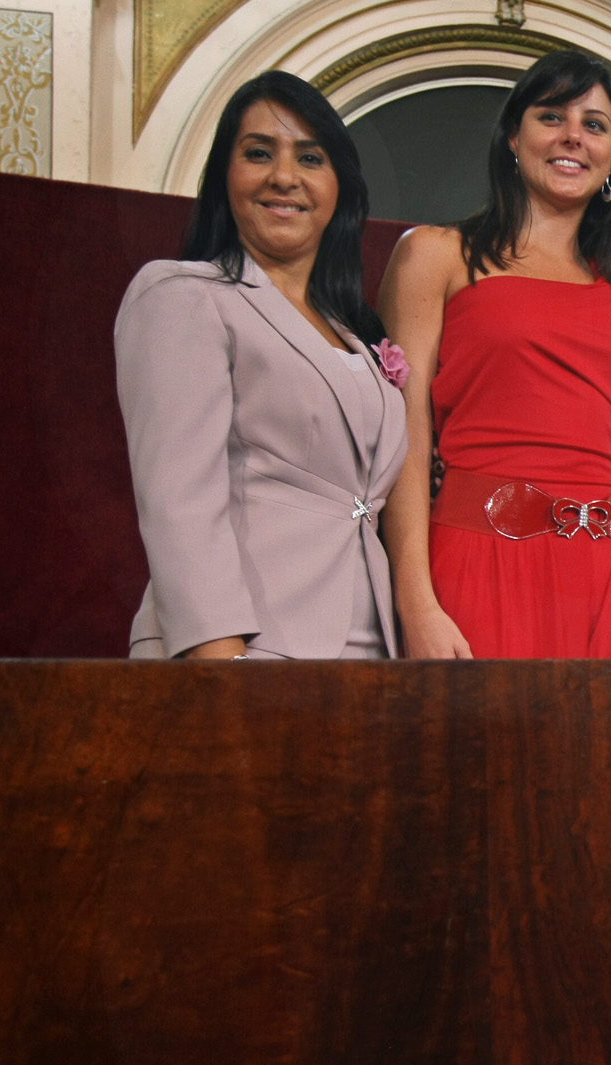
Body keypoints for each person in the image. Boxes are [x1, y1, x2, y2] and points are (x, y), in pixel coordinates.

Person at [378, 51, 611, 658]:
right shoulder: (435, 255)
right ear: (513, 139)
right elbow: (401, 435)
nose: (574, 135)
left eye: (595, 125)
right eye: (552, 116)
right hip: (483, 560)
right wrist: (415, 600)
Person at [115, 71, 408, 659]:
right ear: (225, 176)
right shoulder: (182, 293)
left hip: (371, 657)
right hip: (246, 650)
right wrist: (223, 667)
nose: (284, 176)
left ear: (339, 186)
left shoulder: (356, 332)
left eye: (310, 157)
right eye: (258, 153)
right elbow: (180, 500)